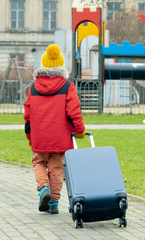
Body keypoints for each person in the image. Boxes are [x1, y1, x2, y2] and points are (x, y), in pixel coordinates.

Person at [24, 44, 86, 214]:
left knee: (38, 162)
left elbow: (28, 114)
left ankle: (43, 188)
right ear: (61, 65)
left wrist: (29, 135)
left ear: (43, 64)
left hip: (40, 136)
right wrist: (79, 130)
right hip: (61, 137)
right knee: (56, 168)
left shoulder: (34, 87)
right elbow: (74, 111)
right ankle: (53, 203)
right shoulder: (67, 86)